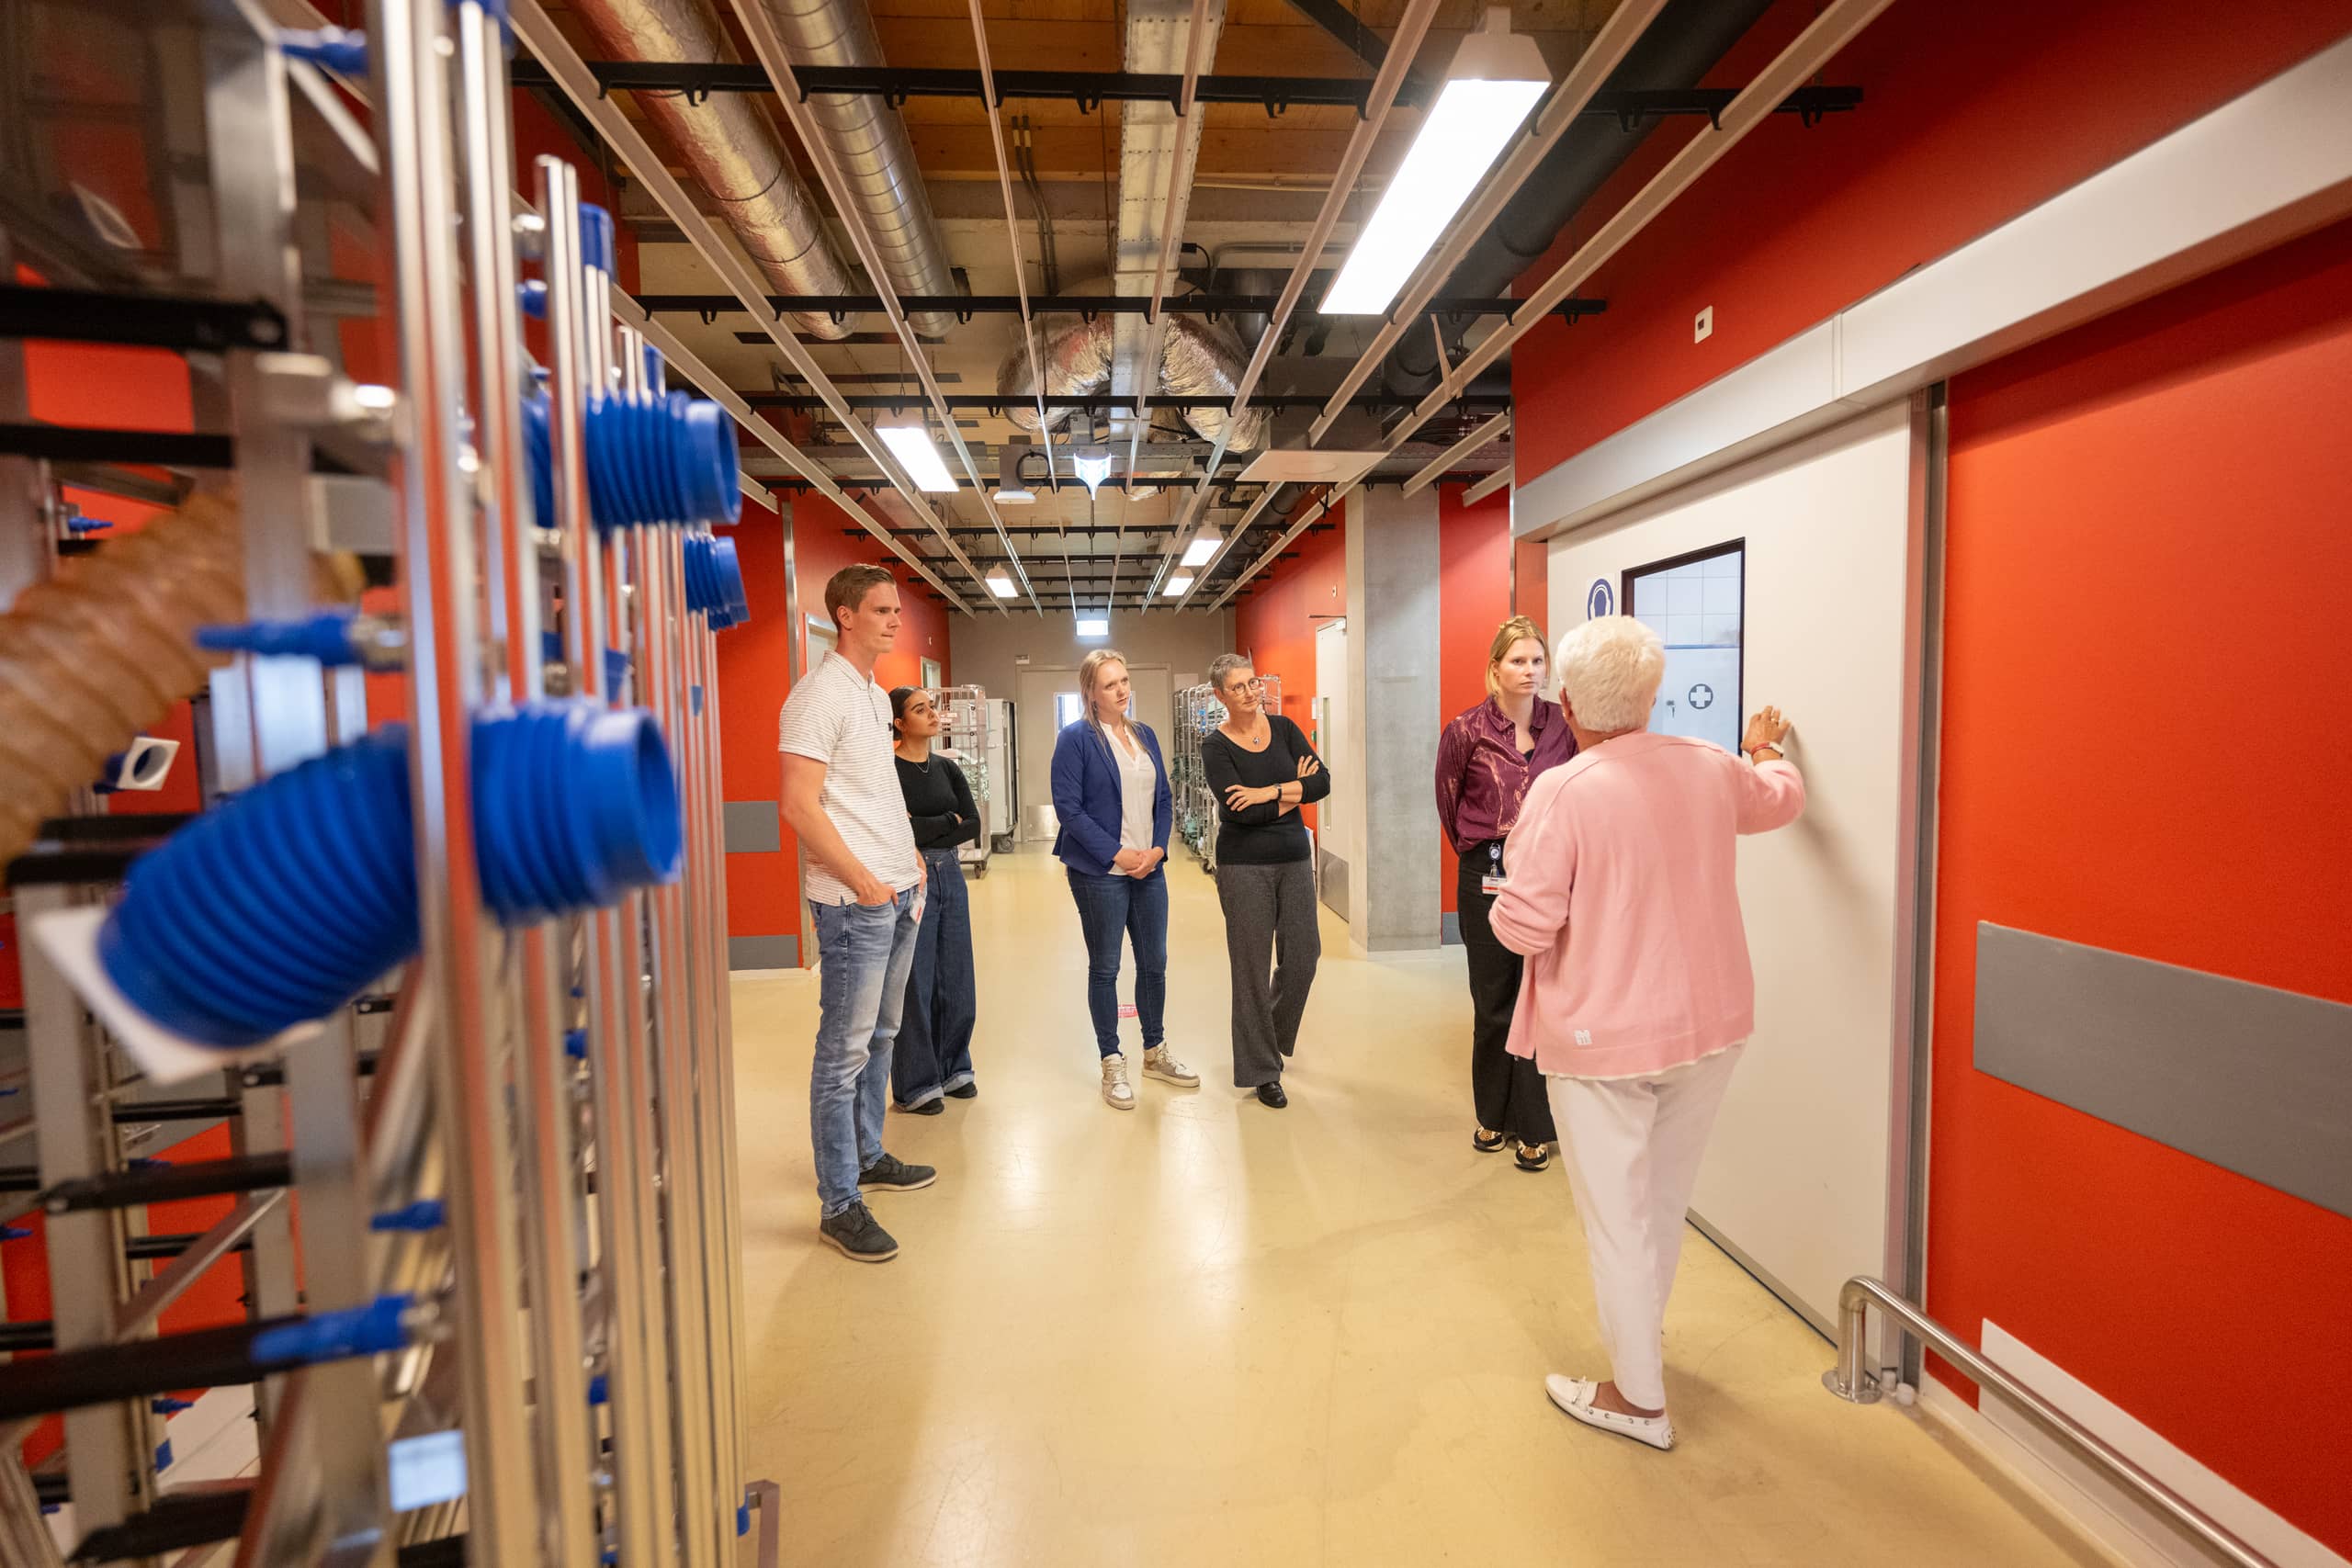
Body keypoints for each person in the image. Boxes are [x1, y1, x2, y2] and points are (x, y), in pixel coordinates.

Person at [1489, 615, 1803, 1450]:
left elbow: (1521, 930)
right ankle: (1642, 1353)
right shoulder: (1710, 767)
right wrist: (1766, 750)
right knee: (1660, 1204)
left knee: (1617, 1220)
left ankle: (1638, 1398)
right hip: (1710, 1028)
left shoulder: (1561, 790)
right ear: (1654, 695)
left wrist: (1516, 892)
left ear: (1565, 703)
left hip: (1603, 1045)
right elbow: (1781, 799)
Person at [777, 564, 938, 1264]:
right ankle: (840, 1202)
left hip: (900, 890)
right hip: (853, 904)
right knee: (841, 1053)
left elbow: (873, 791)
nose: (894, 620)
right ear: (845, 615)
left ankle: (869, 1153)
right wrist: (865, 880)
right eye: (881, 610)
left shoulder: (874, 696)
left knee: (881, 1034)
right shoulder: (817, 697)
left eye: (896, 611)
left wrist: (907, 859)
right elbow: (798, 805)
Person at [1435, 615, 1576, 1171]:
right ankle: (1492, 1114)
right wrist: (1486, 854)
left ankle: (1534, 1126)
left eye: (1537, 660)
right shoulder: (1466, 730)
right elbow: (1449, 808)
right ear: (1495, 669)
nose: (1530, 671)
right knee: (1493, 1002)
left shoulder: (1564, 727)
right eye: (1517, 661)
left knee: (1538, 1000)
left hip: (1548, 875)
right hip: (1486, 873)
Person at [1049, 649, 1199, 1110]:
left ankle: (1154, 1052)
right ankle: (1112, 1059)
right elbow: (1068, 809)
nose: (1122, 691)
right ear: (1091, 693)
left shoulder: (1145, 734)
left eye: (1125, 681)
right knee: (1106, 967)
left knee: (1155, 962)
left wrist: (1156, 849)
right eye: (1111, 684)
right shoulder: (1075, 739)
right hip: (1101, 872)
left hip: (1148, 869)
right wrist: (1117, 852)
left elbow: (1165, 800)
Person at [1198, 653, 1329, 1108]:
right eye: (1239, 687)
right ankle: (1262, 1071)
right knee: (1250, 970)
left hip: (1294, 859)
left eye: (1253, 684)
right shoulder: (1215, 747)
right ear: (1220, 696)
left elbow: (1322, 783)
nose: (1252, 693)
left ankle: (1266, 1037)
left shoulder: (1287, 730)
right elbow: (1241, 812)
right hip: (1242, 867)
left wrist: (1269, 791)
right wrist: (1293, 789)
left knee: (1304, 956)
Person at [888, 686, 979, 1115]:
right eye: (919, 709)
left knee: (956, 975)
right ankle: (917, 1083)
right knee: (916, 979)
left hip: (951, 874)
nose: (931, 714)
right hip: (913, 874)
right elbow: (899, 832)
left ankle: (954, 1068)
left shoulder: (947, 768)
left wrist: (927, 825)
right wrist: (948, 821)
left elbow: (973, 824)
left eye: (932, 707)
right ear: (900, 723)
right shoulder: (888, 771)